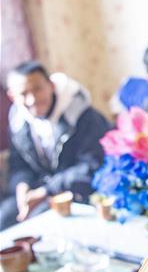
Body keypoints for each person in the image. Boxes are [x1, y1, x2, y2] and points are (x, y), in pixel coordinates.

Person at [1, 61, 111, 228]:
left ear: (51, 85)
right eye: (23, 94)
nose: (32, 100)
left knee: (39, 223)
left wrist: (47, 191)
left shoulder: (82, 115)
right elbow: (19, 164)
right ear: (12, 96)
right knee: (5, 218)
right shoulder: (18, 121)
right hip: (39, 188)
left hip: (77, 192)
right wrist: (22, 186)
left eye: (38, 89)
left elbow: (92, 164)